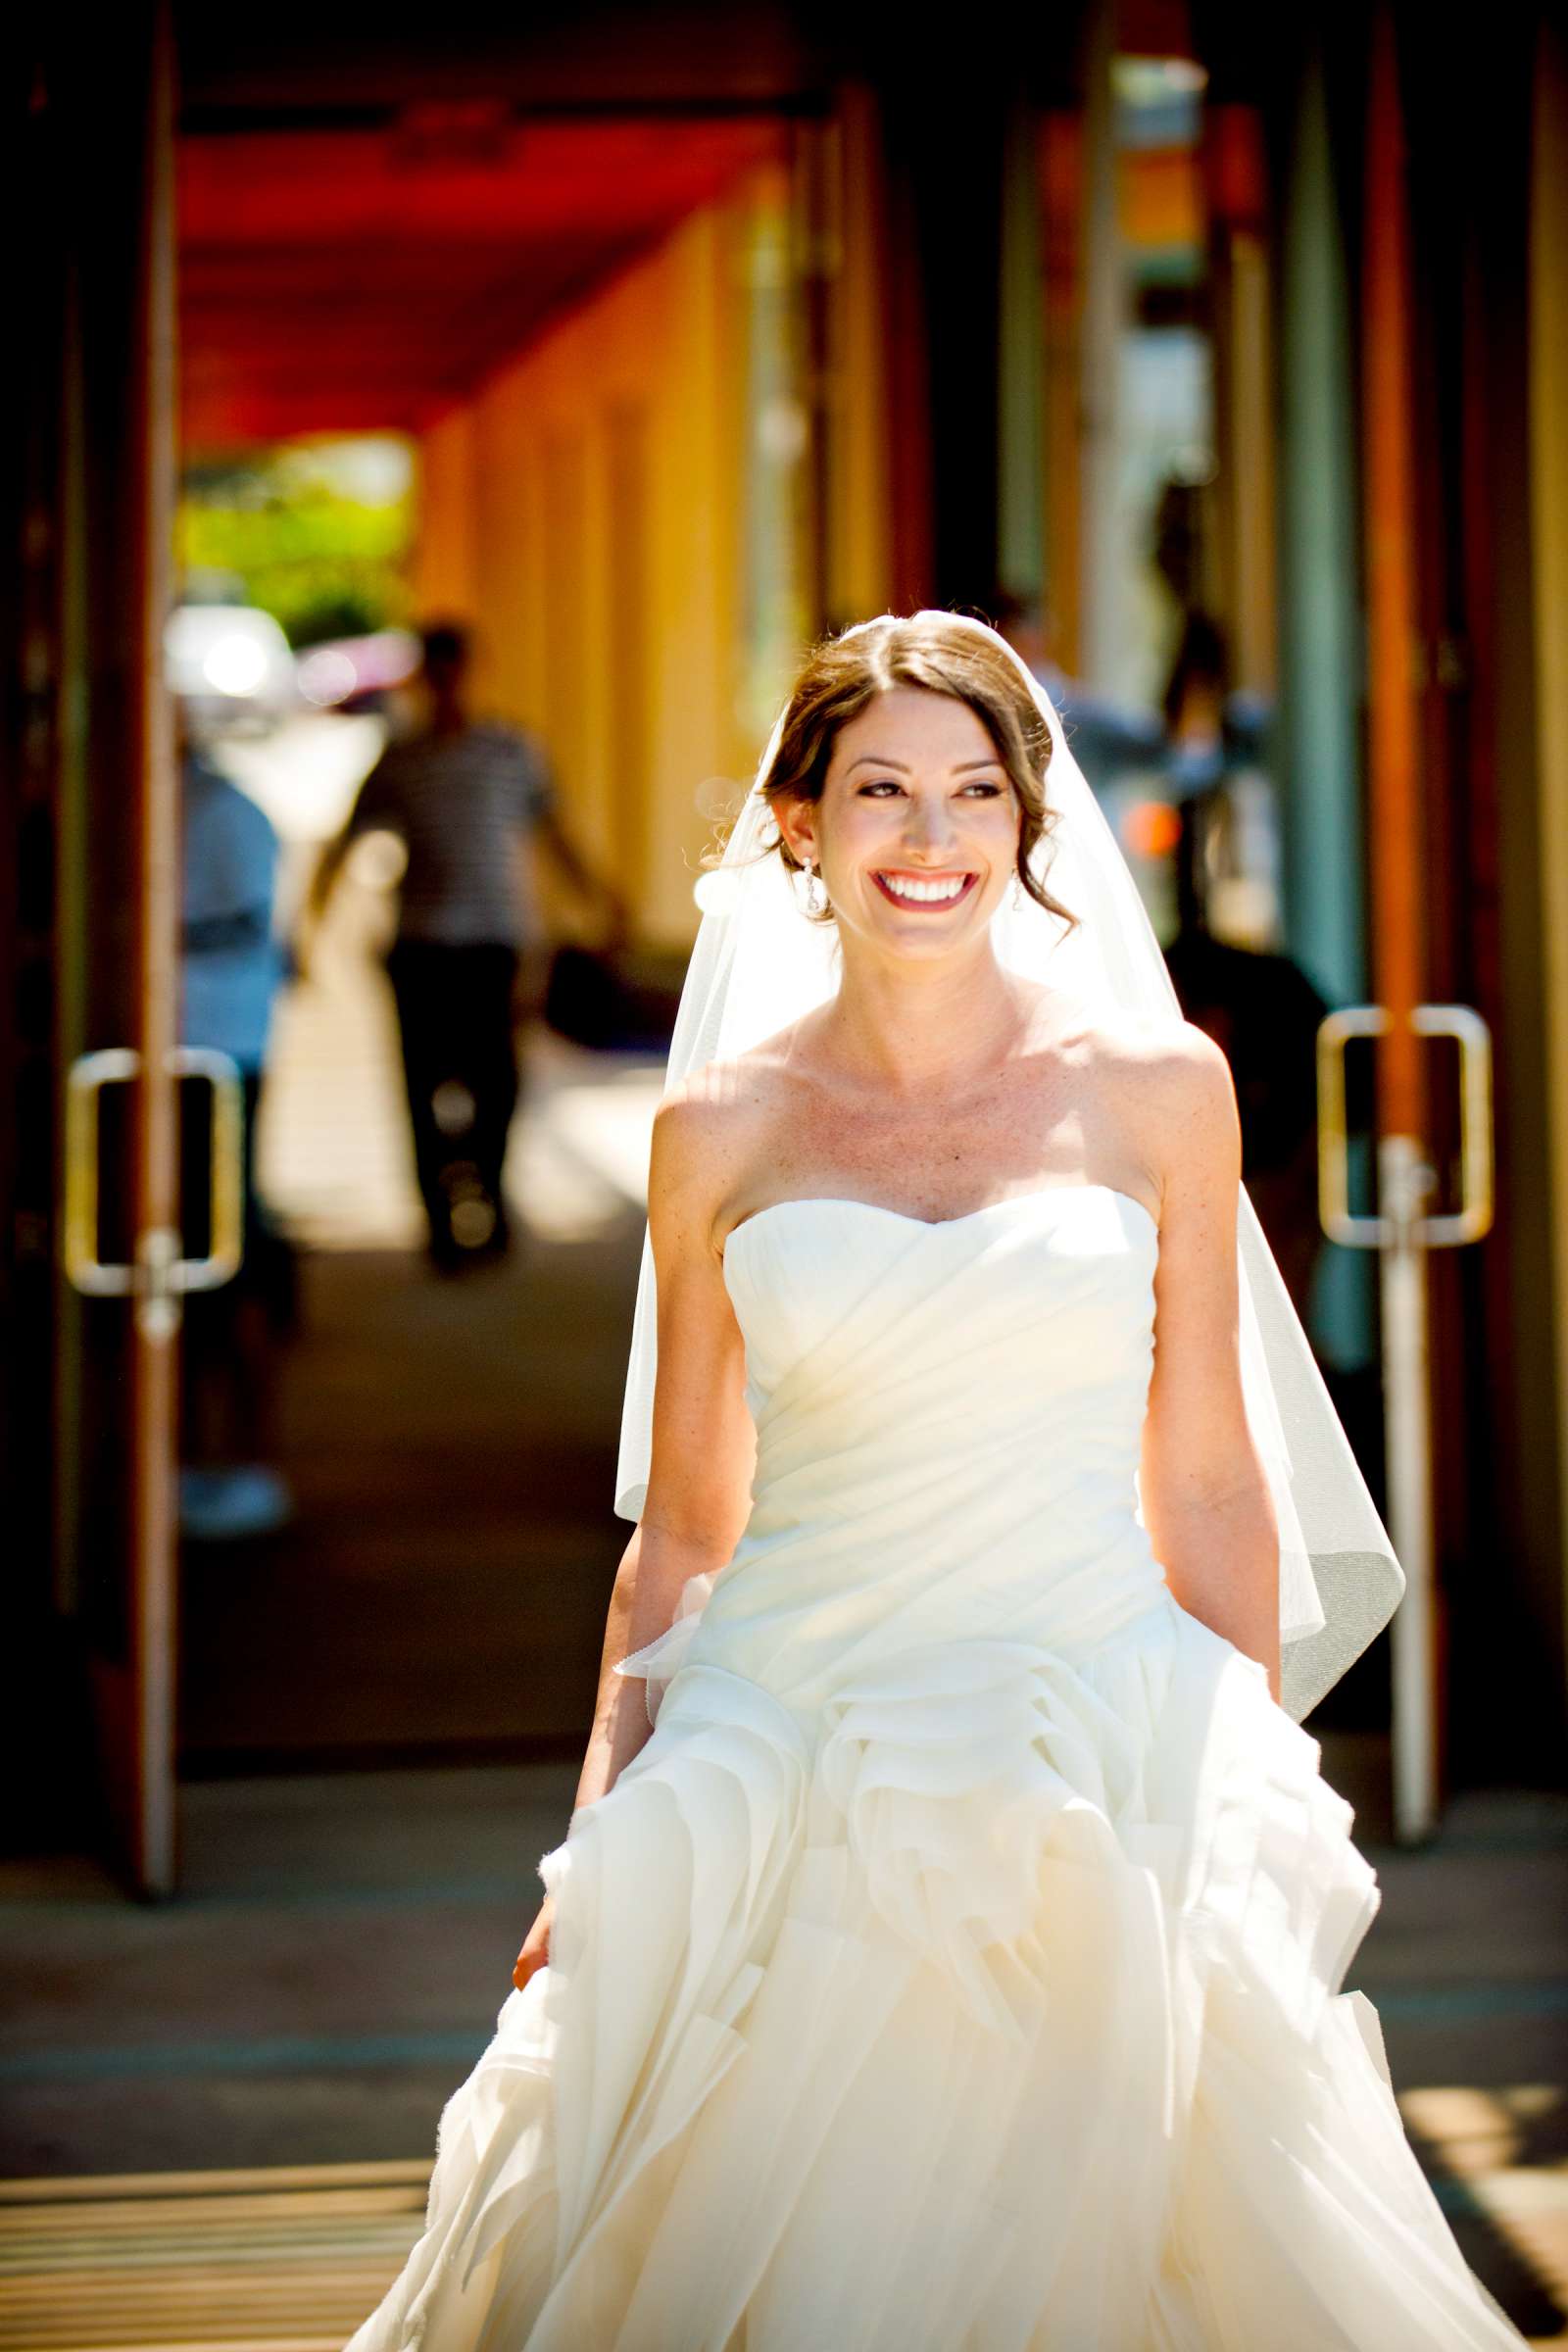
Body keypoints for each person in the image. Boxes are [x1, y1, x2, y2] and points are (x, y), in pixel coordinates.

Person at [348, 616, 1524, 2348]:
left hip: (1090, 1713)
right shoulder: (720, 1129)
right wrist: (598, 1824)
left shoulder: (1158, 1089)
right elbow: (683, 1523)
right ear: (800, 824)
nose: (931, 837)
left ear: (1030, 829)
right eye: (882, 791)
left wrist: (1243, 1765)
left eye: (976, 794)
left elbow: (1205, 1471)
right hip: (783, 1726)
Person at [304, 621, 626, 1269]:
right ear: (424, 677)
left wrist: (602, 900)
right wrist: (312, 926)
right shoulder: (400, 761)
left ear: (473, 671)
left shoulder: (510, 753)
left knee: (496, 1081)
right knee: (424, 1084)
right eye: (438, 670)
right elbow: (343, 845)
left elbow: (552, 832)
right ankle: (440, 1219)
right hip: (421, 946)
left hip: (493, 942)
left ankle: (491, 1198)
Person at [177, 731, 294, 1542]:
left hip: (218, 1053)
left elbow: (244, 926)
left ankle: (248, 1453)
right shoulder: (201, 806)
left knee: (228, 1253)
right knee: (190, 1262)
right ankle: (189, 1452)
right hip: (189, 1051)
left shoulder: (227, 814)